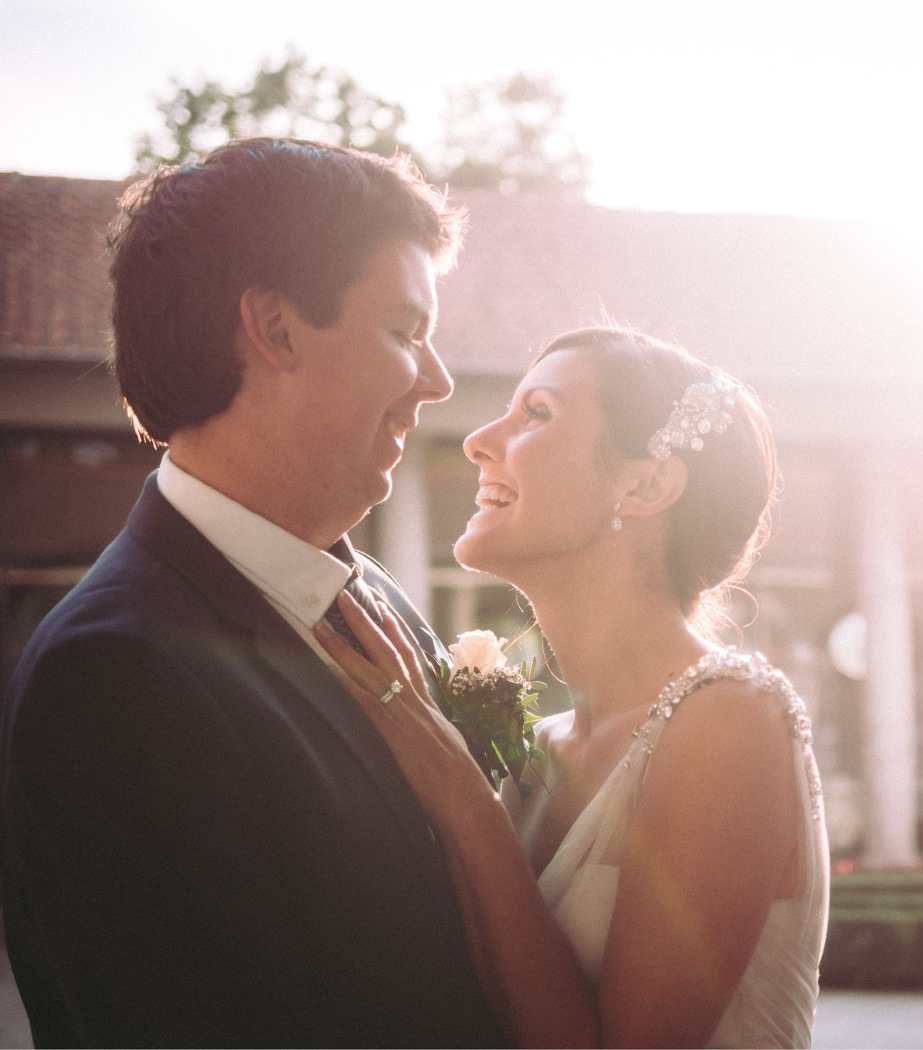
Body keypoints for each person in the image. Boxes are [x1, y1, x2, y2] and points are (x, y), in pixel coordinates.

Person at [0, 139, 508, 1047]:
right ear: (273, 328)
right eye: (403, 331)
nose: (434, 381)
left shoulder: (373, 598)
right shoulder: (113, 677)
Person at [319, 326, 830, 1048]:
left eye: (536, 414)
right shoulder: (540, 751)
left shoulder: (730, 721)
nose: (478, 441)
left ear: (647, 484)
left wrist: (457, 792)